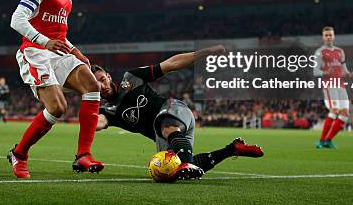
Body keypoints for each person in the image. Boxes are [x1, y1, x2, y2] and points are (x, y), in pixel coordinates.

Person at [93, 45, 264, 181]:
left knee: (165, 126)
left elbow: (170, 65)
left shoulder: (130, 78)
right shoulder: (108, 111)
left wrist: (205, 52)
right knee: (170, 170)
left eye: (102, 79)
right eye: (95, 84)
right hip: (167, 137)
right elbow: (98, 122)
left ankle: (187, 163)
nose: (102, 86)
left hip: (174, 111)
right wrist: (89, 118)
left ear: (108, 76)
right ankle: (232, 149)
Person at [8, 0, 102, 179]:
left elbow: (58, 32)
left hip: (58, 52)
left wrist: (74, 49)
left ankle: (83, 155)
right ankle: (19, 153)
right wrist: (45, 42)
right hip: (35, 53)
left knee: (92, 84)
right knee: (58, 108)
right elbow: (16, 20)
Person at [313, 26, 353, 149]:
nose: (328, 37)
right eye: (326, 35)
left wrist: (348, 74)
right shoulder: (319, 52)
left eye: (330, 35)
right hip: (330, 85)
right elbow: (315, 71)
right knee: (334, 110)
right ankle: (321, 141)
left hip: (341, 85)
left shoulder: (340, 51)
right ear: (323, 37)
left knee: (345, 114)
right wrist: (325, 73)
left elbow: (344, 69)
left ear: (334, 36)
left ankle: (328, 140)